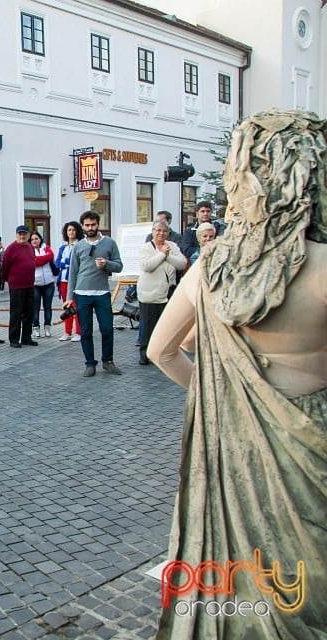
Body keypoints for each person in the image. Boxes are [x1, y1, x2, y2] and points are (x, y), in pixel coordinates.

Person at [148, 109, 327, 639]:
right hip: (314, 439)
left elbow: (163, 350)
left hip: (236, 452)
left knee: (242, 576)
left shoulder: (211, 267)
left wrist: (217, 392)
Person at [62, 211, 123, 376]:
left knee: (107, 328)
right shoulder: (79, 246)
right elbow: (72, 273)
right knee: (86, 331)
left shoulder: (109, 243)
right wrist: (69, 298)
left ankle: (108, 361)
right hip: (82, 294)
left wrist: (107, 264)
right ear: (82, 226)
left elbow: (119, 266)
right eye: (87, 225)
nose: (90, 228)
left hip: (102, 293)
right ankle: (90, 363)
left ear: (98, 224)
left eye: (93, 224)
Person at [136, 220, 186, 366]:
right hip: (149, 293)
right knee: (148, 326)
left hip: (168, 292)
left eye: (164, 231)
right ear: (153, 231)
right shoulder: (145, 248)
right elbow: (147, 266)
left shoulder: (172, 246)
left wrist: (167, 255)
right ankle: (145, 355)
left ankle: (160, 354)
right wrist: (161, 254)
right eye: (158, 230)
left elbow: (181, 263)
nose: (161, 233)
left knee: (164, 326)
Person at [1, 225, 38, 348]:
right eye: (20, 234)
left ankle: (26, 337)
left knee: (29, 313)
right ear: (16, 235)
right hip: (16, 286)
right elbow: (5, 267)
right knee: (16, 313)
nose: (22, 236)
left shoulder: (30, 247)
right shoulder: (11, 249)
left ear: (28, 235)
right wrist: (9, 280)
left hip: (29, 285)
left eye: (24, 234)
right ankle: (14, 339)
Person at [55, 221, 83, 342]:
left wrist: (65, 263)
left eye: (73, 230)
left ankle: (78, 332)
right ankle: (67, 331)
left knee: (76, 307)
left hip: (75, 280)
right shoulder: (63, 248)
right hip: (63, 280)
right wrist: (65, 263)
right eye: (69, 230)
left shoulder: (79, 246)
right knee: (67, 307)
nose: (71, 232)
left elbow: (75, 263)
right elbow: (57, 263)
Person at [30, 231, 55, 339]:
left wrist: (40, 259)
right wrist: (44, 259)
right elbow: (33, 262)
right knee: (35, 308)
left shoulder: (47, 248)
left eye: (36, 238)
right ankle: (36, 328)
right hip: (35, 283)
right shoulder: (29, 251)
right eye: (32, 239)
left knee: (48, 307)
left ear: (40, 239)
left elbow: (51, 256)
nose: (34, 241)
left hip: (49, 283)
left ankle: (47, 328)